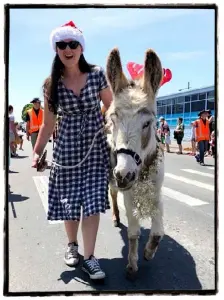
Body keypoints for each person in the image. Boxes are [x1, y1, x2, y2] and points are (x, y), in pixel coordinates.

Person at [32, 21, 112, 280]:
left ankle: (89, 258)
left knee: (91, 203)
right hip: (66, 149)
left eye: (73, 44)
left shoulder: (98, 74)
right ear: (56, 49)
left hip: (95, 147)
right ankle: (72, 246)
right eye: (62, 44)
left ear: (81, 47)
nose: (68, 49)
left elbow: (111, 107)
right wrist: (37, 151)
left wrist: (108, 125)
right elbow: (48, 123)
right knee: (69, 203)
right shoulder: (50, 84)